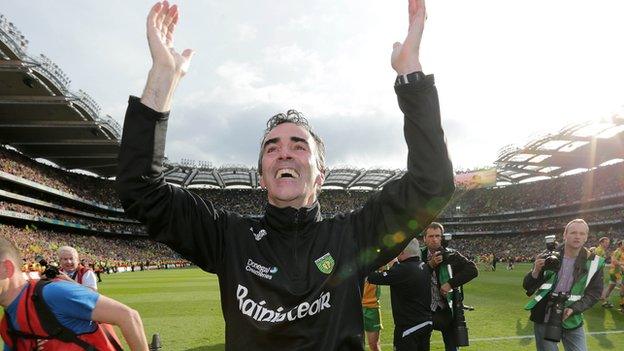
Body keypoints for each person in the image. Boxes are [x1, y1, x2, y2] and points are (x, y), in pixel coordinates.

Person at [115, 0, 455, 349]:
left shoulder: (354, 237)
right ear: (262, 176)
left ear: (320, 175)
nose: (284, 153)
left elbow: (433, 183)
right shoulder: (228, 238)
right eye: (271, 147)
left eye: (298, 145)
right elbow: (140, 189)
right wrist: (162, 78)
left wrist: (411, 73)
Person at [0, 238, 149, 350]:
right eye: (64, 259)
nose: (68, 262)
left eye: (71, 259)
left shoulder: (53, 293)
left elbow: (128, 316)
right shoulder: (7, 324)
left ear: (6, 269)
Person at [523, 219, 604, 351]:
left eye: (582, 233)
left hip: (572, 318)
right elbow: (527, 286)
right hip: (544, 315)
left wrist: (574, 308)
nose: (577, 236)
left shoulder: (595, 262)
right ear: (565, 235)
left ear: (586, 237)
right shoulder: (547, 256)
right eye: (573, 232)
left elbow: (594, 294)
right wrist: (535, 271)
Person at [421, 222, 477, 351]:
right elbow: (413, 278)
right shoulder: (418, 255)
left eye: (437, 236)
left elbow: (472, 270)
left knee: (452, 348)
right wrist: (429, 265)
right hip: (424, 309)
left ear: (442, 237)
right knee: (422, 346)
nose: (434, 239)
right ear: (424, 238)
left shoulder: (451, 254)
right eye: (430, 236)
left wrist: (450, 284)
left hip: (447, 309)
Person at [368, 239, 432, 351]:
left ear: (402, 252)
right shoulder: (423, 266)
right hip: (425, 323)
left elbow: (372, 277)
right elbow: (399, 273)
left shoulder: (402, 270)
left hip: (408, 328)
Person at [601, 239, 624, 309]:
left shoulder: (620, 252)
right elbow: (614, 261)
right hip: (616, 273)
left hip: (614, 272)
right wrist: (622, 264)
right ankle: (622, 305)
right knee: (622, 288)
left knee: (611, 287)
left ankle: (604, 300)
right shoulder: (618, 252)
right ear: (621, 245)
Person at [361, 280, 383, 351]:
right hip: (355, 306)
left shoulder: (374, 268)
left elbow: (384, 269)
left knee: (374, 345)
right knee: (353, 343)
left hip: (371, 308)